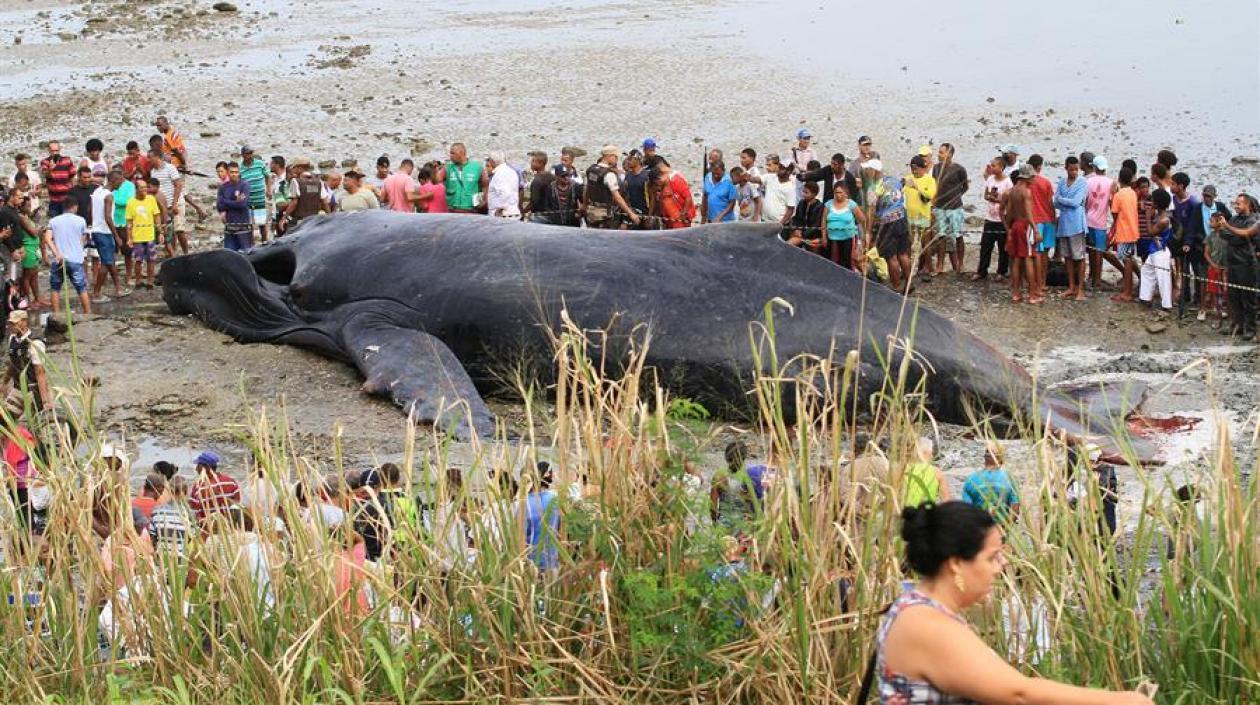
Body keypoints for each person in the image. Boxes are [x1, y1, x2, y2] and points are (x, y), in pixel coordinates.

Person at [878, 501, 1153, 705]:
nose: (1002, 565)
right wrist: (1121, 701)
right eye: (992, 557)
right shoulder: (927, 625)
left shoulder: (915, 607)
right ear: (957, 564)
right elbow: (1018, 693)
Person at [1214, 193, 1259, 339]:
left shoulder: (1254, 220)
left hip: (1246, 263)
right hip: (1232, 262)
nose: (1236, 206)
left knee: (1248, 297)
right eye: (1235, 203)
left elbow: (1245, 234)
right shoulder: (1234, 219)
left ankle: (1250, 328)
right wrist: (1230, 231)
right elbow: (1225, 235)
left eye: (1239, 203)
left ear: (1247, 204)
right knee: (1233, 296)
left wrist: (1228, 227)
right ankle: (1237, 325)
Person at [867, 160, 913, 292]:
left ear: (874, 171)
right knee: (903, 254)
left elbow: (871, 211)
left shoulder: (873, 188)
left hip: (887, 223)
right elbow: (903, 199)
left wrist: (868, 231)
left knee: (891, 257)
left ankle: (897, 286)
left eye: (868, 170)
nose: (867, 172)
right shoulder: (894, 181)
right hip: (901, 218)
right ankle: (909, 283)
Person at [43, 195, 92, 315]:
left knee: (55, 288)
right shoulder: (81, 220)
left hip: (58, 260)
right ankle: (88, 313)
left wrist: (57, 254)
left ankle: (56, 315)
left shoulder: (53, 221)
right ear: (75, 207)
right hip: (75, 259)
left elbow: (47, 238)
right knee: (81, 288)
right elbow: (83, 240)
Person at [0, 310, 52, 415]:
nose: (11, 326)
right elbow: (13, 363)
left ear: (24, 322)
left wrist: (45, 400)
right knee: (5, 420)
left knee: (36, 425)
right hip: (18, 389)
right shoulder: (13, 339)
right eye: (10, 323)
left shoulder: (35, 343)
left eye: (15, 323)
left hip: (33, 392)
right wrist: (4, 382)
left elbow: (40, 372)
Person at [1004, 165, 1042, 304]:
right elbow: (1028, 213)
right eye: (1032, 177)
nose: (1033, 179)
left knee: (1016, 259)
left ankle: (1016, 293)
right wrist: (1036, 230)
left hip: (1015, 225)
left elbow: (1009, 212)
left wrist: (1008, 229)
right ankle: (1033, 295)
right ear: (1027, 177)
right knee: (1028, 258)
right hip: (1024, 226)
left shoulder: (1012, 190)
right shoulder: (1026, 192)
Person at [1085, 156, 1123, 291]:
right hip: (1100, 222)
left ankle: (1092, 277)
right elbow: (1113, 204)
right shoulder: (1112, 183)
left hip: (1087, 219)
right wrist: (1115, 222)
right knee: (1099, 252)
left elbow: (1083, 202)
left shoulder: (1087, 182)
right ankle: (1097, 280)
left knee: (1090, 250)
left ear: (1094, 167)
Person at [1054, 156, 1089, 300]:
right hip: (1064, 224)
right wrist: (1062, 201)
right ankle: (1071, 286)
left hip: (1077, 224)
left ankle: (1081, 289)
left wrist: (1062, 200)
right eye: (1071, 169)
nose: (1074, 172)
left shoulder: (1082, 182)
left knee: (1079, 257)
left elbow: (1076, 202)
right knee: (1067, 257)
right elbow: (1055, 202)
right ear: (1066, 168)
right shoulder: (1062, 182)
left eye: (1076, 169)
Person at [973, 156, 1012, 282]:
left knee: (1002, 248)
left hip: (1002, 219)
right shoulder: (990, 179)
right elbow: (985, 194)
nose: (992, 167)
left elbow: (1010, 200)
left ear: (1001, 167)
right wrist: (989, 197)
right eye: (991, 165)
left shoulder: (1007, 182)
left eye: (994, 165)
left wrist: (998, 200)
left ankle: (1001, 271)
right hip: (990, 218)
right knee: (985, 246)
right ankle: (982, 271)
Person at [961, 443, 1019, 524]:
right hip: (1001, 530)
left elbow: (966, 512)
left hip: (978, 530)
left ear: (985, 458)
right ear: (1001, 458)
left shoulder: (971, 480)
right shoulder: (1010, 479)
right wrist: (1005, 529)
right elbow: (1015, 510)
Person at [89, 170, 125, 301]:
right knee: (106, 262)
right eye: (120, 181)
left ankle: (118, 288)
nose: (121, 184)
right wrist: (116, 236)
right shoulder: (109, 196)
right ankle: (97, 293)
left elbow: (90, 209)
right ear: (113, 181)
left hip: (97, 230)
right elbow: (108, 217)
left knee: (108, 261)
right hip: (104, 232)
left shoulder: (97, 191)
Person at [1199, 186, 1232, 327]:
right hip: (1213, 267)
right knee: (1212, 290)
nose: (1209, 223)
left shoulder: (1228, 235)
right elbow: (1206, 253)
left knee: (1226, 291)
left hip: (1226, 267)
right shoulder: (1210, 236)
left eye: (1211, 221)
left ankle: (1228, 312)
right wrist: (1213, 264)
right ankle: (1213, 312)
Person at [1139, 189, 1175, 312]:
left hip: (1161, 251)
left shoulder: (1164, 219)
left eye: (1153, 200)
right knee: (1146, 270)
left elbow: (1151, 232)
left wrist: (1148, 217)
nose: (1151, 202)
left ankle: (1166, 305)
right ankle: (1145, 297)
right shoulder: (1160, 214)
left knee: (1163, 277)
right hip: (1154, 250)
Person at [124, 178, 163, 289]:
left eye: (146, 187)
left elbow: (157, 216)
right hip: (137, 236)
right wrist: (129, 238)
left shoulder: (151, 199)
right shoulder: (131, 202)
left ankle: (150, 282)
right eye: (142, 188)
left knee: (151, 259)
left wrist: (160, 232)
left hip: (150, 234)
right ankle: (138, 281)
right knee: (138, 259)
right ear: (136, 190)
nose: (144, 190)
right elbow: (129, 222)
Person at [584, 146, 637, 228]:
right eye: (615, 157)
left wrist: (584, 205)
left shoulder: (591, 169)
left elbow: (587, 190)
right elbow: (617, 197)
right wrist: (631, 214)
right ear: (609, 156)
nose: (617, 159)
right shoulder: (609, 174)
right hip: (605, 216)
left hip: (591, 213)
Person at [148, 149, 188, 257]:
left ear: (157, 157)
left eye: (150, 157)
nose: (149, 160)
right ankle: (173, 255)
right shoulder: (153, 172)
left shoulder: (170, 168)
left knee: (179, 230)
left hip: (176, 202)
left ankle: (186, 253)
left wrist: (174, 203)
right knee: (169, 232)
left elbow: (178, 185)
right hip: (163, 206)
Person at [1109, 168, 1141, 303]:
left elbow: (1114, 213)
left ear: (1120, 179)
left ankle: (1127, 292)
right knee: (1128, 259)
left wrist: (1112, 195)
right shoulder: (1133, 193)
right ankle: (1128, 290)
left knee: (1126, 261)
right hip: (1133, 230)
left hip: (1124, 232)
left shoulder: (1119, 195)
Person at [1026, 155, 1057, 291]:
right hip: (1048, 219)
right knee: (1045, 253)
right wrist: (1054, 218)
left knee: (1034, 254)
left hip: (1034, 221)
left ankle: (1035, 283)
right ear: (1039, 167)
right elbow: (1051, 203)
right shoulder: (1046, 182)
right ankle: (1043, 282)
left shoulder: (1027, 183)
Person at [904, 156, 937, 277]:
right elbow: (901, 193)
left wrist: (917, 187)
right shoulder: (908, 179)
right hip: (909, 216)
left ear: (923, 168)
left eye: (916, 168)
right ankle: (908, 269)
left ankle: (927, 268)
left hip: (923, 217)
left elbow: (930, 195)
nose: (914, 171)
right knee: (909, 244)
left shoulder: (929, 180)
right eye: (912, 168)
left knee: (925, 243)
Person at [822, 180, 866, 269]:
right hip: (832, 239)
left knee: (847, 262)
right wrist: (824, 237)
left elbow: (862, 219)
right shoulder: (829, 204)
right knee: (833, 262)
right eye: (836, 192)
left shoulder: (851, 204)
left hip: (848, 238)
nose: (838, 195)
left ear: (845, 192)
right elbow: (823, 220)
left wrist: (862, 237)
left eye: (840, 192)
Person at [187, 451, 240, 524]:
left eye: (198, 465)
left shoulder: (198, 486)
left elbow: (193, 509)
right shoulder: (231, 482)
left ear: (204, 467)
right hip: (230, 527)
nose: (196, 469)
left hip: (209, 529)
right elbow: (237, 504)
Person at [149, 476, 196, 556]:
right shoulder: (190, 514)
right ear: (186, 491)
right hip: (182, 560)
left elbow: (152, 538)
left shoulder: (157, 511)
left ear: (170, 491)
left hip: (162, 559)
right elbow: (191, 538)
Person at [902, 437, 950, 508]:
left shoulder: (900, 471)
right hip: (927, 516)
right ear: (926, 452)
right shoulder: (937, 473)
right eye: (931, 453)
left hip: (905, 515)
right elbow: (947, 503)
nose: (932, 456)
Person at [216, 161, 253, 252]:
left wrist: (225, 201)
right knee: (229, 254)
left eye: (236, 172)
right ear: (228, 173)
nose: (234, 174)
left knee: (246, 254)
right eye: (232, 172)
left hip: (243, 226)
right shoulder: (223, 187)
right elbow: (219, 206)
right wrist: (234, 202)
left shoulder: (244, 185)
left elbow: (242, 204)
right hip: (229, 227)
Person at [238, 146, 272, 243]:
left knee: (262, 223)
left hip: (259, 198)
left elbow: (268, 177)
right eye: (247, 153)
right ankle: (251, 245)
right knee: (249, 224)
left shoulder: (260, 164)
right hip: (247, 200)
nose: (249, 155)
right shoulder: (240, 168)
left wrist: (268, 190)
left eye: (251, 153)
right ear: (243, 155)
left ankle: (265, 243)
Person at [284, 157, 329, 225]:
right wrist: (330, 216)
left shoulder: (296, 181)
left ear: (299, 168)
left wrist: (284, 217)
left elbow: (294, 202)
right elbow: (324, 202)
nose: (293, 170)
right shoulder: (319, 181)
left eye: (294, 168)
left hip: (300, 220)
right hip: (314, 219)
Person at [445, 143, 487, 214]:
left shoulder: (477, 167)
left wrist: (484, 199)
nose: (450, 156)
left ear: (461, 153)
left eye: (453, 153)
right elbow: (436, 180)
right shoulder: (448, 168)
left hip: (471, 210)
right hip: (452, 210)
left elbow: (485, 184)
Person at [39, 141, 76, 218]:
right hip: (54, 201)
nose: (55, 153)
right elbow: (45, 175)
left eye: (56, 150)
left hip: (67, 199)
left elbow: (72, 177)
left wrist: (74, 194)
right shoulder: (45, 162)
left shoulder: (67, 160)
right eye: (52, 151)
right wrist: (51, 169)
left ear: (59, 150)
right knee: (55, 224)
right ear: (49, 151)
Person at [786, 180, 824, 250]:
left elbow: (816, 225)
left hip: (813, 236)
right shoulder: (801, 203)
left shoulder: (819, 206)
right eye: (803, 191)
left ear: (814, 194)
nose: (803, 194)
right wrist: (796, 229)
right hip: (799, 233)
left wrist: (803, 234)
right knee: (789, 243)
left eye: (806, 193)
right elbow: (796, 218)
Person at [761, 160, 798, 231]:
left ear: (789, 171)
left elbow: (790, 209)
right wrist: (749, 177)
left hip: (778, 225)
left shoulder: (790, 188)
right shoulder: (771, 178)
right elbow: (757, 180)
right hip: (765, 222)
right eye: (779, 166)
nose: (779, 169)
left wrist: (780, 224)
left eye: (782, 168)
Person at [485, 152, 521, 219]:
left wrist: (500, 208)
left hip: (502, 215)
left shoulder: (499, 174)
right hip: (513, 211)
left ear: (492, 161)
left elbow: (505, 193)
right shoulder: (512, 171)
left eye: (489, 160)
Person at [622, 152, 652, 225]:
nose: (627, 161)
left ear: (637, 160)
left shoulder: (647, 176)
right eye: (627, 159)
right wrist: (629, 212)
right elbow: (626, 196)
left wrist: (650, 216)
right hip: (632, 211)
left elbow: (653, 197)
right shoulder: (628, 175)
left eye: (630, 159)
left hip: (645, 212)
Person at [523, 151, 553, 218]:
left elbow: (534, 202)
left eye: (533, 161)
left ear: (541, 164)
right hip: (552, 212)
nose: (531, 163)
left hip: (540, 215)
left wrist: (523, 212)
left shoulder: (537, 181)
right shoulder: (552, 176)